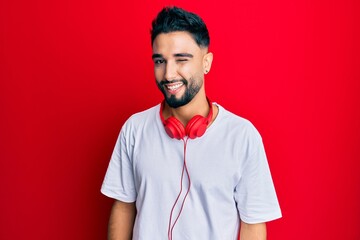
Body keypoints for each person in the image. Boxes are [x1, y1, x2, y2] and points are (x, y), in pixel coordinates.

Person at [101, 6, 281, 240]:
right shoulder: (134, 129)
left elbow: (253, 225)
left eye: (181, 59)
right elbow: (124, 206)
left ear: (206, 62)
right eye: (160, 61)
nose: (168, 74)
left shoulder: (242, 136)